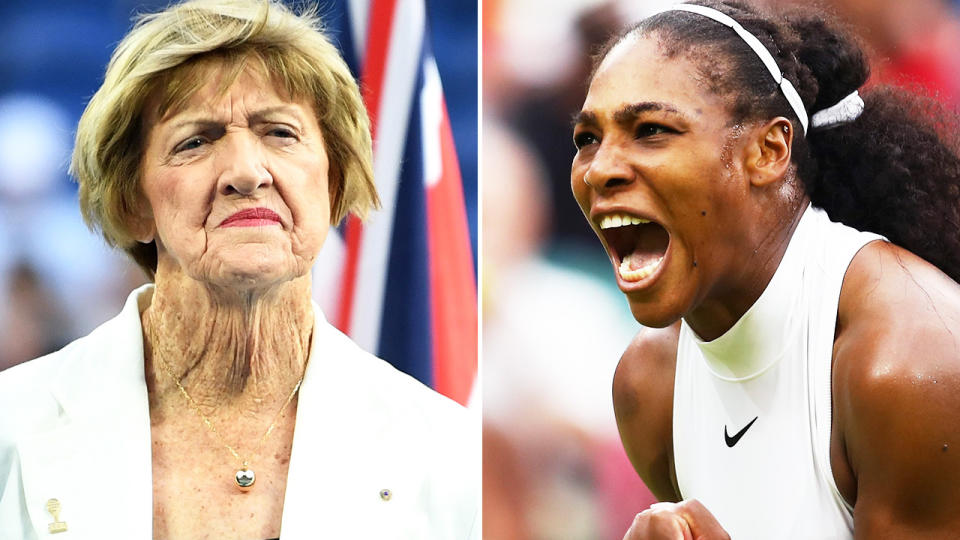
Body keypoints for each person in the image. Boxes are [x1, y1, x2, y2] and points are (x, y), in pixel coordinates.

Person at [0, 0, 478, 538]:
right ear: (134, 202)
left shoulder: (448, 450)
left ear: (335, 182)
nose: (247, 173)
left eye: (279, 133)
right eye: (196, 141)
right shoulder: (13, 428)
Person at [570, 1, 960, 538]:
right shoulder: (649, 385)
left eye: (652, 129)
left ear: (768, 150)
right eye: (587, 139)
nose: (601, 170)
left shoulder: (910, 364)